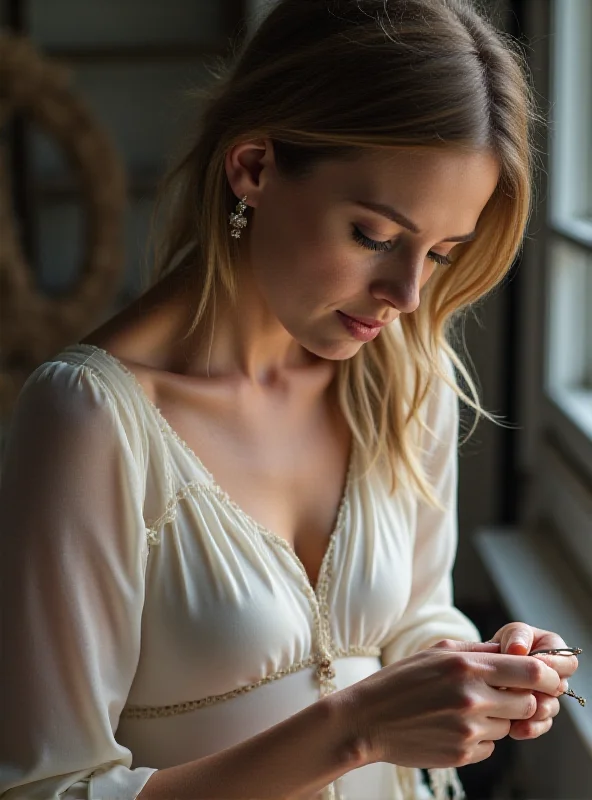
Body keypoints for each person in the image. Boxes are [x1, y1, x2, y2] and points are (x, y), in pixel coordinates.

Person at [0, 1, 579, 799]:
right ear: (255, 167)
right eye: (375, 236)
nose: (406, 294)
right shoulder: (91, 420)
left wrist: (479, 669)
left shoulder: (407, 376)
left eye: (442, 253)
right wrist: (354, 729)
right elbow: (47, 789)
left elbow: (414, 617)